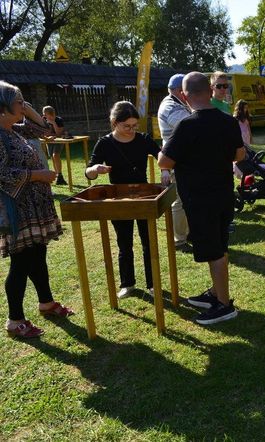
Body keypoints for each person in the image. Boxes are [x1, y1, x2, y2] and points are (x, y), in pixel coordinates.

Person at [159, 72, 246, 325]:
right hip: (223, 194)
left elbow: (165, 161)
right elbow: (239, 155)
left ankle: (224, 304)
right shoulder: (228, 122)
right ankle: (216, 293)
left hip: (200, 198)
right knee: (217, 247)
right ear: (210, 90)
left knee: (214, 251)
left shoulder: (187, 125)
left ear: (184, 95)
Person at [0, 80, 74, 338]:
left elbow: (45, 131)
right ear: (2, 107)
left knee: (38, 255)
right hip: (18, 209)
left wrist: (27, 108)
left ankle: (46, 302)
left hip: (35, 206)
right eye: (17, 102)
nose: (22, 105)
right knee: (21, 263)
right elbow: (2, 174)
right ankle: (14, 320)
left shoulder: (13, 129)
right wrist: (37, 175)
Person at [85, 101, 165, 299]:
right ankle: (127, 283)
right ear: (114, 123)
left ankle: (152, 283)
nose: (131, 130)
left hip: (144, 196)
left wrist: (164, 169)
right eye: (126, 126)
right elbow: (89, 172)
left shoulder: (144, 139)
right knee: (124, 243)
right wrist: (95, 170)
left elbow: (161, 154)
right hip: (118, 198)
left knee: (148, 242)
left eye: (134, 126)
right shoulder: (105, 142)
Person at [157, 73, 191, 250]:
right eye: (188, 90)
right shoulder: (171, 107)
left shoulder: (178, 103)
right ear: (180, 90)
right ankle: (179, 240)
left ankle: (186, 233)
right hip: (177, 161)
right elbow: (191, 127)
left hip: (181, 159)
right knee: (179, 201)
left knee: (186, 199)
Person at [42, 106, 67, 185]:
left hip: (59, 141)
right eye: (45, 114)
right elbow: (46, 133)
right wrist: (50, 135)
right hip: (50, 141)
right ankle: (58, 177)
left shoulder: (58, 120)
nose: (46, 116)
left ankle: (60, 175)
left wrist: (53, 123)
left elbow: (59, 133)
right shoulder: (43, 120)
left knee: (55, 155)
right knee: (52, 157)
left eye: (48, 114)